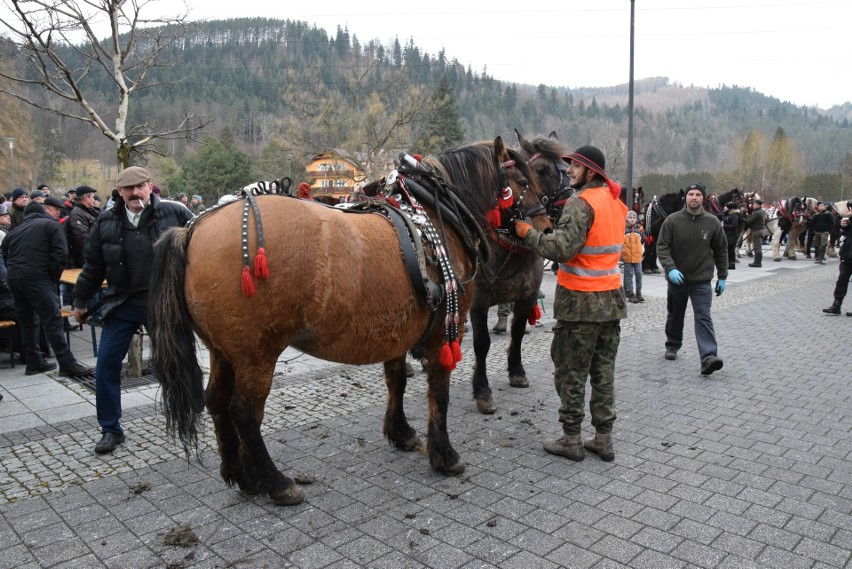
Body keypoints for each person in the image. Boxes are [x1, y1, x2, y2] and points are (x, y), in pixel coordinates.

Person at [513, 145, 628, 462]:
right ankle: (603, 439)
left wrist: (527, 233)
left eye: (575, 167)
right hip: (611, 302)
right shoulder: (615, 202)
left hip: (580, 305)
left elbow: (562, 248)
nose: (569, 172)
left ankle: (572, 439)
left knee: (571, 374)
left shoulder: (581, 204)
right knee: (603, 374)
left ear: (591, 171)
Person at [71, 166, 194, 454]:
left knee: (180, 357)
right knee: (106, 366)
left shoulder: (174, 212)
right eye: (129, 188)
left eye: (140, 186)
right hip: (122, 302)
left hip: (163, 302)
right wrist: (79, 302)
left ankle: (192, 409)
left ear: (150, 186)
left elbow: (201, 250)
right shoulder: (106, 221)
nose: (135, 192)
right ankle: (110, 429)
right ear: (120, 191)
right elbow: (93, 266)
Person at [0, 198, 94, 377]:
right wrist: (52, 278)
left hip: (15, 278)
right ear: (44, 211)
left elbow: (4, 254)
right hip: (38, 277)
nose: (58, 212)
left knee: (27, 321)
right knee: (53, 321)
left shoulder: (14, 231)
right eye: (55, 209)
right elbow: (60, 253)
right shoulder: (50, 225)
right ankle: (67, 364)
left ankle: (34, 361)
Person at [657, 183, 728, 375]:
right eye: (690, 194)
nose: (694, 197)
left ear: (702, 198)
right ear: (686, 198)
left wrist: (722, 276)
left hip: (701, 281)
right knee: (675, 314)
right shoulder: (672, 220)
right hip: (677, 280)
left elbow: (721, 250)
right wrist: (670, 268)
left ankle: (708, 357)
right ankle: (672, 344)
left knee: (704, 317)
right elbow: (662, 247)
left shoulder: (712, 222)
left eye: (697, 194)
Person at [822, 206, 852, 315]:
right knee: (841, 281)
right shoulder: (849, 219)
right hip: (847, 255)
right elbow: (844, 232)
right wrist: (844, 226)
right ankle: (836, 305)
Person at [65, 185, 101, 268]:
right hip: (85, 256)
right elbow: (82, 238)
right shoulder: (77, 213)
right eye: (92, 197)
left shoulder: (91, 211)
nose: (94, 200)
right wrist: (97, 250)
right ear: (86, 197)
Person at [622, 210, 645, 303]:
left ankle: (638, 293)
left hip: (637, 256)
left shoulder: (639, 229)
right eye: (630, 217)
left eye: (634, 218)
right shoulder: (623, 229)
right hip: (627, 256)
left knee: (639, 274)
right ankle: (630, 294)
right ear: (627, 218)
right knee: (629, 275)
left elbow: (643, 240)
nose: (632, 219)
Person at [745, 199, 767, 267]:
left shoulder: (756, 213)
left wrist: (745, 217)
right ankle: (757, 262)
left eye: (754, 204)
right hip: (760, 230)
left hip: (756, 231)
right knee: (758, 247)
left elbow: (750, 221)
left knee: (757, 247)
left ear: (758, 205)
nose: (753, 205)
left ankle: (757, 263)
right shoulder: (762, 211)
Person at [721, 201, 741, 270]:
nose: (724, 207)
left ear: (730, 208)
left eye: (725, 206)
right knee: (727, 249)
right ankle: (727, 263)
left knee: (730, 250)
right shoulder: (727, 214)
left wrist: (724, 225)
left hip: (731, 236)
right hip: (727, 235)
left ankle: (731, 264)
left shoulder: (734, 216)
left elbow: (734, 225)